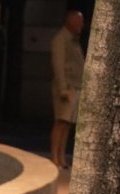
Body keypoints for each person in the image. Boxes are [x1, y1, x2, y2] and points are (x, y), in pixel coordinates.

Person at [49, 10, 85, 171]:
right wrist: (63, 89)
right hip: (66, 87)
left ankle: (61, 157)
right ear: (71, 22)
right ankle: (54, 156)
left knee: (67, 124)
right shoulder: (60, 39)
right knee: (61, 122)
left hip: (75, 87)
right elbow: (58, 65)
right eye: (79, 22)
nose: (81, 25)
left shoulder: (73, 40)